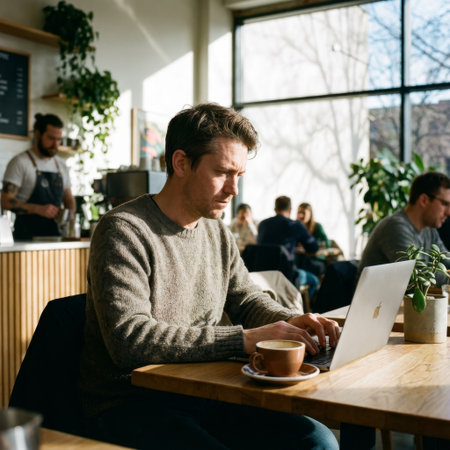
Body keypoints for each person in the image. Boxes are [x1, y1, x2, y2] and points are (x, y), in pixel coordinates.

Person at [79, 103, 340, 449]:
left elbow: (246, 299)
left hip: (205, 389)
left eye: (239, 176)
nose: (234, 189)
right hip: (132, 402)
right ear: (181, 163)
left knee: (317, 440)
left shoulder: (216, 232)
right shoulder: (123, 230)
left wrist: (292, 322)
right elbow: (130, 339)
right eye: (222, 173)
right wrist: (244, 340)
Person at [358, 171, 450, 285]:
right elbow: (419, 276)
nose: (448, 212)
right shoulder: (394, 227)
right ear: (424, 200)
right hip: (377, 302)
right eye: (445, 204)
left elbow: (446, 259)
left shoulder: (429, 229)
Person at [1, 113, 75, 239]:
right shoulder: (20, 162)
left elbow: (68, 198)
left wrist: (70, 213)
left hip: (55, 236)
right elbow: (5, 202)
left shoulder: (61, 165)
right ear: (38, 134)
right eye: (51, 138)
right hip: (26, 238)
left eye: (58, 139)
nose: (55, 144)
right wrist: (37, 209)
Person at [258, 196, 320, 298]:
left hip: (263, 275)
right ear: (290, 210)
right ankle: (299, 306)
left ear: (275, 209)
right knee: (314, 280)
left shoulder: (262, 224)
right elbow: (314, 248)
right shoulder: (295, 225)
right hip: (287, 275)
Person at [296, 202, 330, 276]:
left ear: (310, 214)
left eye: (303, 213)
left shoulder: (317, 227)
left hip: (315, 259)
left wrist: (309, 246)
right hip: (301, 259)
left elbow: (326, 244)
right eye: (299, 212)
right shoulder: (295, 227)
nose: (300, 215)